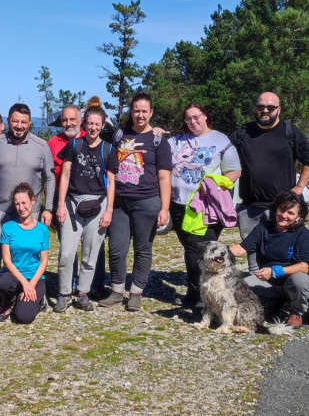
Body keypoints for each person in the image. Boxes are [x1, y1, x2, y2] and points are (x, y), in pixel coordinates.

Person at [0, 103, 55, 315]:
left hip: (30, 212)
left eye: (23, 122)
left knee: (28, 255)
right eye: (15, 121)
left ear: (30, 123)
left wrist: (48, 208)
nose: (19, 125)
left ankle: (31, 293)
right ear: (8, 121)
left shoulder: (41, 145)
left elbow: (50, 177)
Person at [100, 93, 172, 311]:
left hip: (148, 201)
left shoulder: (159, 140)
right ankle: (116, 291)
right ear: (131, 112)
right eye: (136, 110)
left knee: (143, 249)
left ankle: (136, 293)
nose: (140, 115)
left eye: (144, 111)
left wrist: (165, 207)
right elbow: (110, 168)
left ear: (151, 113)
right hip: (121, 202)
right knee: (116, 249)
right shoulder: (120, 136)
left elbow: (164, 176)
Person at [168, 103, 241, 308]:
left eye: (196, 117)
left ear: (205, 116)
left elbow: (234, 171)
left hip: (205, 207)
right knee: (192, 250)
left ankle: (204, 297)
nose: (192, 122)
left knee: (202, 250)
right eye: (188, 119)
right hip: (179, 204)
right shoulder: (177, 140)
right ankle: (198, 294)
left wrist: (217, 186)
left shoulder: (220, 140)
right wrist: (156, 132)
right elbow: (158, 149)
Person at [230, 91, 309, 273]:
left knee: (286, 253)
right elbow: (219, 150)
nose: (265, 110)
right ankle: (258, 293)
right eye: (260, 107)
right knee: (252, 256)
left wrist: (299, 187)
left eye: (270, 107)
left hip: (284, 209)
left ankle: (286, 292)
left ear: (278, 110)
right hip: (250, 207)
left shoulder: (289, 131)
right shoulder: (242, 133)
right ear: (255, 109)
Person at [55, 106, 118, 313]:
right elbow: (64, 176)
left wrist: (109, 210)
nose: (92, 128)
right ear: (84, 124)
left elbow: (111, 182)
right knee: (66, 253)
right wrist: (60, 205)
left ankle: (83, 292)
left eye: (96, 124)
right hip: (72, 203)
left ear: (102, 126)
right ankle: (64, 293)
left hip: (98, 204)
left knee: (90, 254)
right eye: (89, 123)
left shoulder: (108, 149)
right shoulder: (74, 144)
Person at [230, 191, 309, 329]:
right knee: (236, 286)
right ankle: (274, 302)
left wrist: (275, 271)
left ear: (298, 217)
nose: (284, 215)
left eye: (290, 213)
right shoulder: (263, 227)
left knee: (300, 281)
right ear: (276, 209)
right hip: (267, 281)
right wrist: (217, 250)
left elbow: (304, 267)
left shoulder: (302, 234)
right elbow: (241, 249)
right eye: (282, 210)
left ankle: (296, 311)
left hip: (290, 282)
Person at [0, 182, 50, 323]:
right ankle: (8, 301)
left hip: (34, 278)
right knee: (3, 281)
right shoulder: (8, 227)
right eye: (17, 204)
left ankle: (39, 300)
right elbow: (6, 261)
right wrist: (24, 283)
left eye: (24, 202)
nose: (21, 207)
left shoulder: (42, 229)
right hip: (13, 276)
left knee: (23, 318)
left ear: (32, 201)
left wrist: (30, 284)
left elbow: (44, 261)